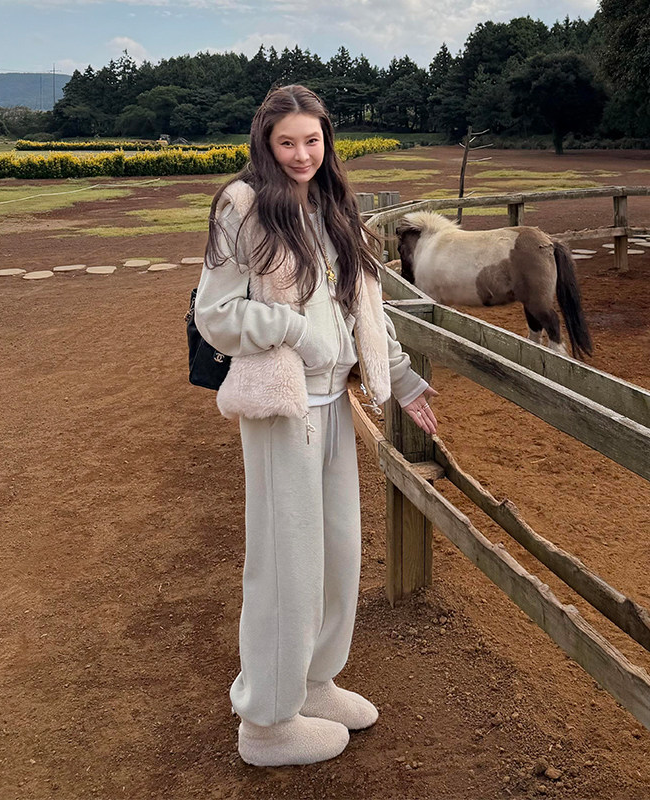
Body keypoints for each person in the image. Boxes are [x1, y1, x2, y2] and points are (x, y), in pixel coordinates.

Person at [194, 84, 439, 768]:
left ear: (327, 140)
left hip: (335, 404)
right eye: (286, 143)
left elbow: (364, 302)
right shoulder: (242, 206)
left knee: (336, 554)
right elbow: (215, 314)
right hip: (284, 408)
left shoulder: (333, 205)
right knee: (285, 565)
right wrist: (296, 330)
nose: (301, 155)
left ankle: (313, 682)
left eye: (312, 140)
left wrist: (401, 377)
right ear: (265, 144)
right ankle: (267, 725)